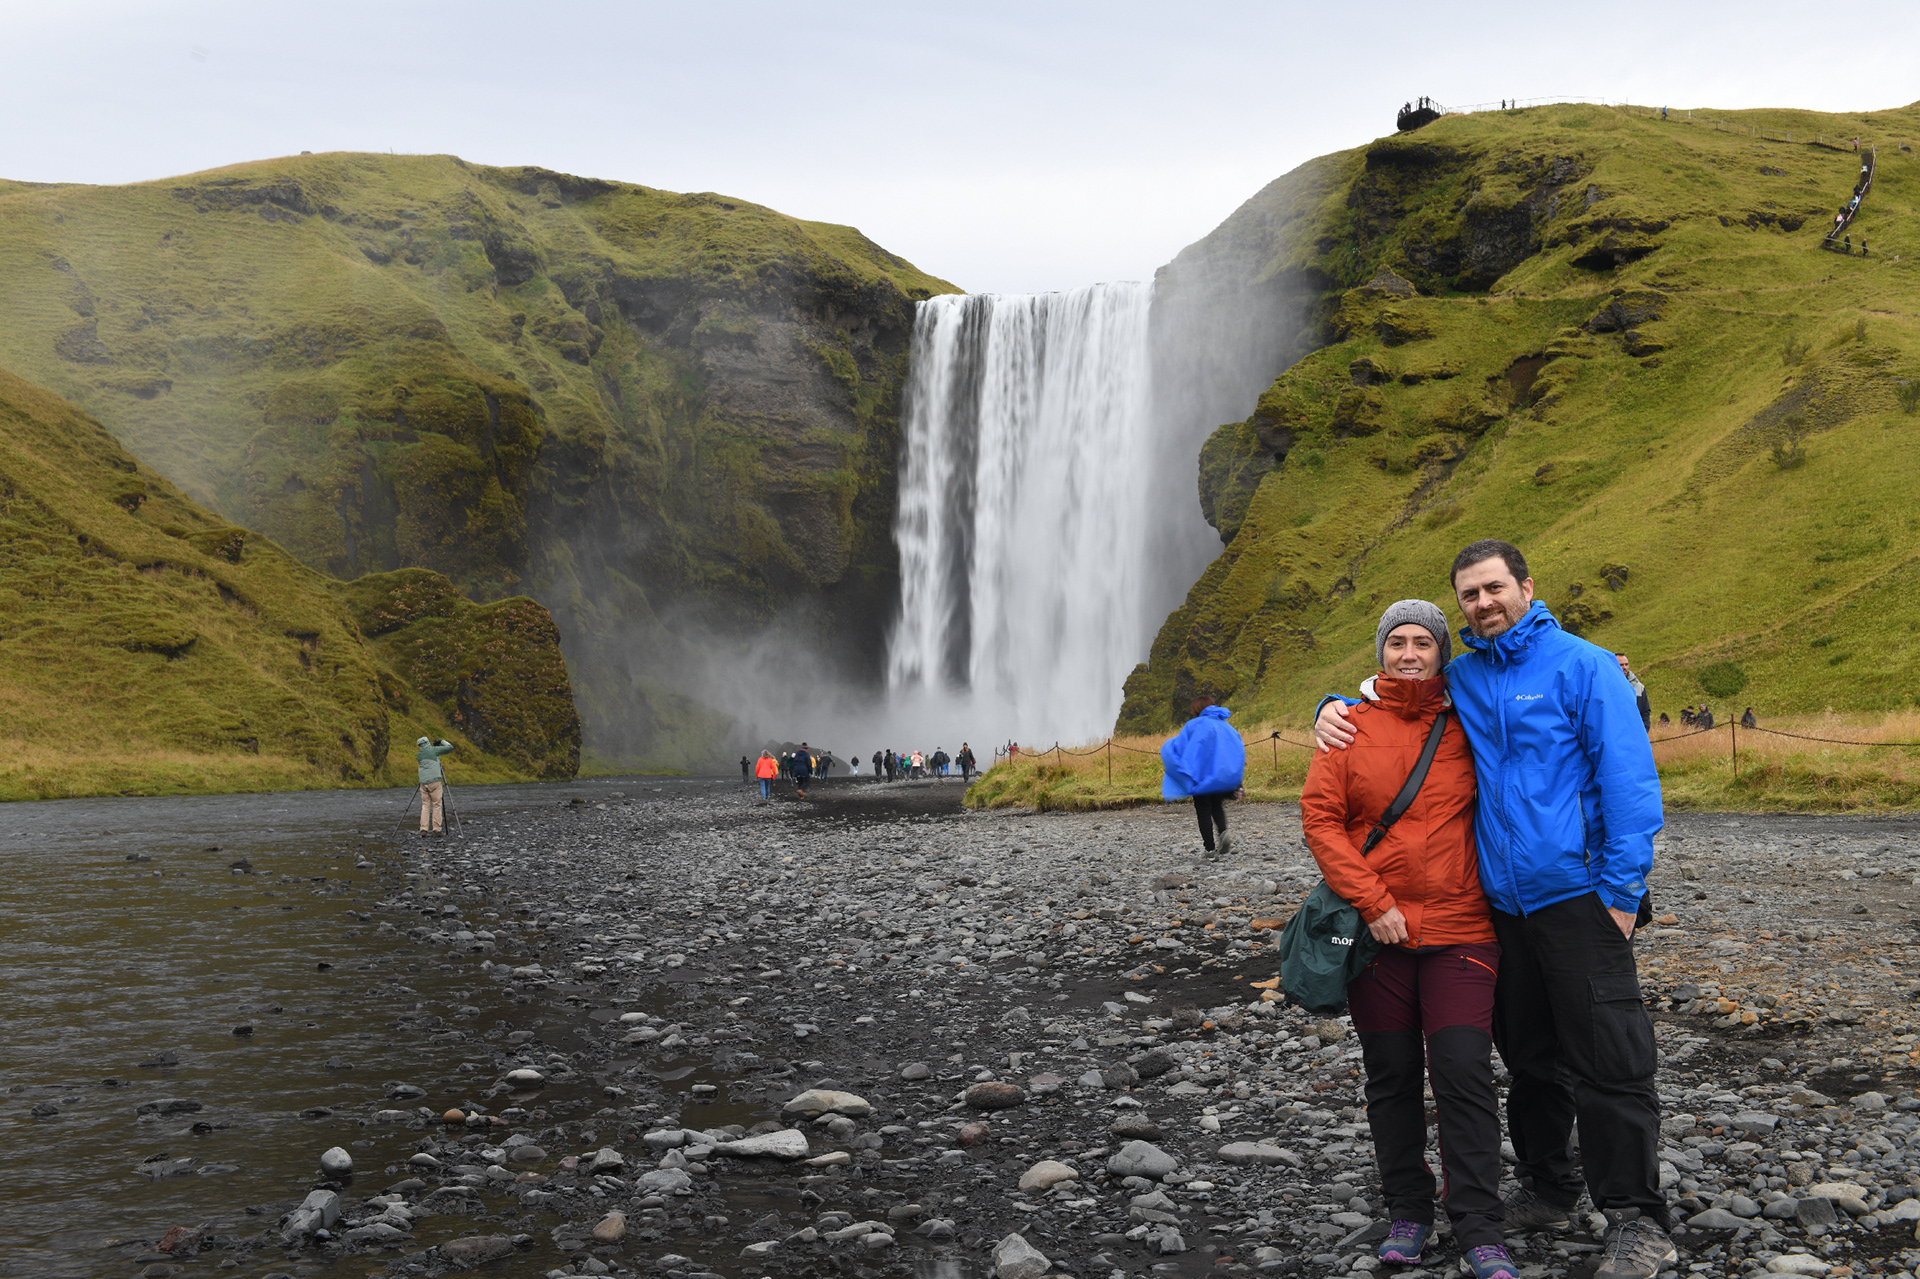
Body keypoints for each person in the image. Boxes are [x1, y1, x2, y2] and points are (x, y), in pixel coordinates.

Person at [1316, 540, 1671, 1279]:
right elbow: (1396, 691)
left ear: (1526, 588)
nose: (1483, 602)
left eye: (1493, 588)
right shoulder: (1467, 676)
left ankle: (1637, 1218)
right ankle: (1550, 1187)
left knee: (1611, 1059)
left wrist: (1619, 893)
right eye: (1470, 594)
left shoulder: (1584, 665)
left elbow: (1631, 784)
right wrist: (1330, 707)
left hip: (1580, 898)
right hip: (1500, 907)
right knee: (1532, 1058)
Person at [1302, 600, 1514, 1279]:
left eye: (1424, 641)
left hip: (1463, 928)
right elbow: (1322, 821)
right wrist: (1374, 902)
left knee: (1463, 1073)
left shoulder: (1471, 720)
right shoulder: (1348, 727)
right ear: (1380, 652)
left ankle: (1480, 1224)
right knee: (1391, 1077)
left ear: (1443, 651)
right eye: (1398, 641)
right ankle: (1408, 1210)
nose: (1410, 652)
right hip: (1379, 936)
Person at [1160, 696, 1245, 859]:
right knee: (1217, 807)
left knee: (1203, 811)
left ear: (1197, 709)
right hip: (1220, 777)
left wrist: (1168, 749)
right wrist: (1236, 780)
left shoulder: (1193, 725)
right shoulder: (1226, 726)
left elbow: (1179, 747)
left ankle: (1210, 849)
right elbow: (1236, 750)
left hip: (1200, 778)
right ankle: (1223, 833)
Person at [416, 736, 455, 838]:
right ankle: (436, 830)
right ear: (428, 742)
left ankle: (423, 829)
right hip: (435, 782)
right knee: (437, 804)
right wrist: (441, 741)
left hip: (423, 783)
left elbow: (429, 758)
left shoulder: (419, 755)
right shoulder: (434, 750)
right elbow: (450, 747)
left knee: (425, 805)